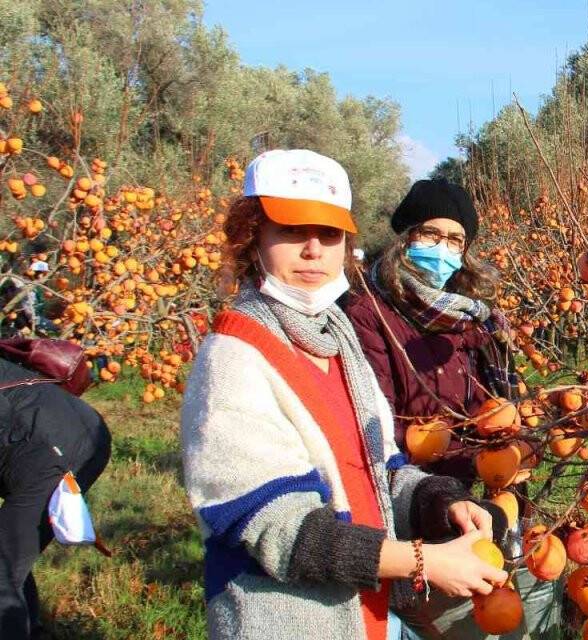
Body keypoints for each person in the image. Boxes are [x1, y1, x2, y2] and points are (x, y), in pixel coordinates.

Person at [179, 150, 507, 640]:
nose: (314, 249)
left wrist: (443, 500)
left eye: (329, 234)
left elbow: (381, 471)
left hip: (366, 612)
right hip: (288, 621)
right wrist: (421, 559)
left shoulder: (335, 336)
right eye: (292, 231)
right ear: (253, 238)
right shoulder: (236, 355)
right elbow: (276, 527)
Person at [345, 180, 556, 639]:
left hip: (487, 501)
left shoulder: (472, 318)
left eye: (455, 240)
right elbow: (372, 428)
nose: (442, 249)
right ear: (405, 238)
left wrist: (515, 441)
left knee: (533, 618)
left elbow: (498, 408)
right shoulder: (369, 315)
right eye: (430, 234)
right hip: (422, 513)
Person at [0, 352, 109, 639]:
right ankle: (32, 630)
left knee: (3, 572)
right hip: (84, 433)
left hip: (47, 448)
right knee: (11, 554)